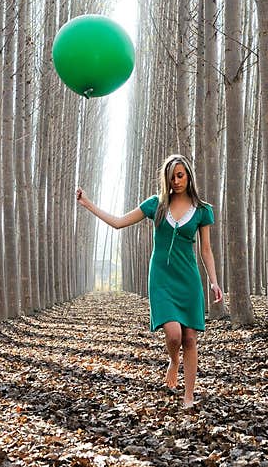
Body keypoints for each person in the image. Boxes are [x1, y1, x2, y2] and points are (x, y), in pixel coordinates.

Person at [76, 153, 223, 408]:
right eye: (171, 176)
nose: (176, 181)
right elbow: (119, 223)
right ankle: (173, 361)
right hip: (161, 279)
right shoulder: (156, 205)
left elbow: (206, 249)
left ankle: (189, 395)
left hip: (188, 279)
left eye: (180, 175)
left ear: (188, 177)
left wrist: (213, 281)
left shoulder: (202, 210)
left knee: (190, 338)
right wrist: (89, 204)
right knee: (174, 335)